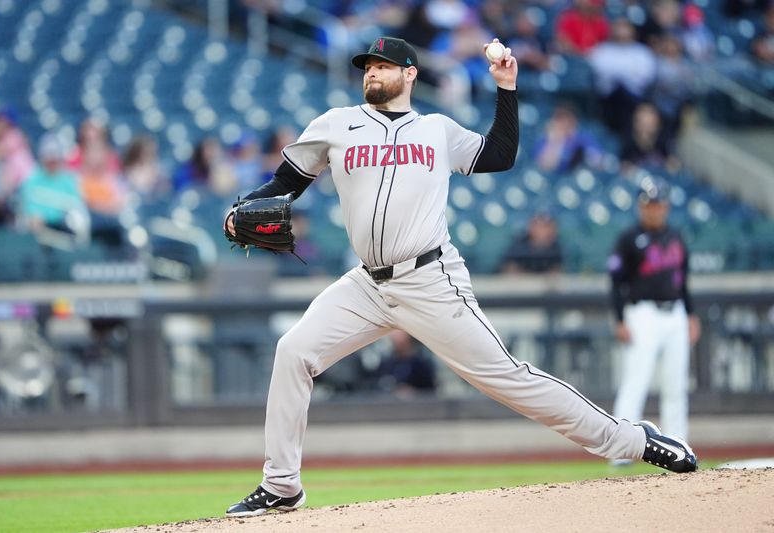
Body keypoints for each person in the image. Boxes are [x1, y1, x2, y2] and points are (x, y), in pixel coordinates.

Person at [223, 36, 697, 518]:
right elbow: (285, 184)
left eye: (383, 66)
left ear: (410, 74)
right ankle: (281, 485)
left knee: (509, 378)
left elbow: (500, 154)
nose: (371, 72)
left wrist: (506, 88)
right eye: (367, 66)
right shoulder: (336, 124)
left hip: (430, 278)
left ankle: (633, 439)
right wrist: (242, 208)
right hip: (367, 284)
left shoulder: (436, 130)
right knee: (294, 352)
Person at [608, 177, 701, 445]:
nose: (654, 209)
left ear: (666, 206)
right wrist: (619, 319)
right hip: (642, 315)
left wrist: (691, 315)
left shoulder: (676, 237)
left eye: (659, 204)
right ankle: (621, 448)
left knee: (676, 386)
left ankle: (678, 443)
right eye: (649, 204)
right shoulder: (629, 239)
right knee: (635, 382)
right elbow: (616, 283)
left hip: (675, 314)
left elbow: (683, 281)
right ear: (640, 207)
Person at [376, 329, 436, 396]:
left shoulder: (421, 365)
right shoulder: (386, 364)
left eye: (400, 335)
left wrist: (414, 393)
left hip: (415, 405)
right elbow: (378, 389)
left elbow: (430, 393)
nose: (396, 339)